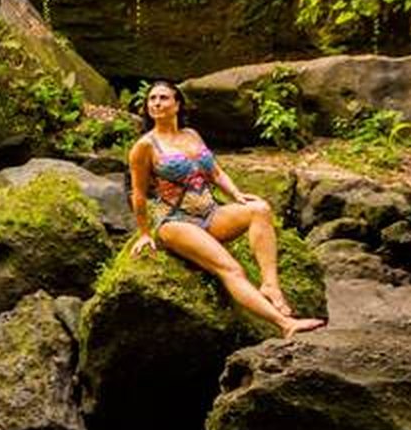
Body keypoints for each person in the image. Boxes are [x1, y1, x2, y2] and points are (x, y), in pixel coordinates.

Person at [126, 79, 325, 336]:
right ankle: (286, 325)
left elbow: (216, 173)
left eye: (163, 98)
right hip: (175, 221)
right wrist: (143, 233)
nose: (156, 103)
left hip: (210, 213)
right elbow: (138, 193)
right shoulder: (144, 146)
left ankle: (270, 285)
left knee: (260, 209)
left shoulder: (191, 135)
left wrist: (236, 194)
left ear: (177, 104)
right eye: (152, 99)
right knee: (231, 269)